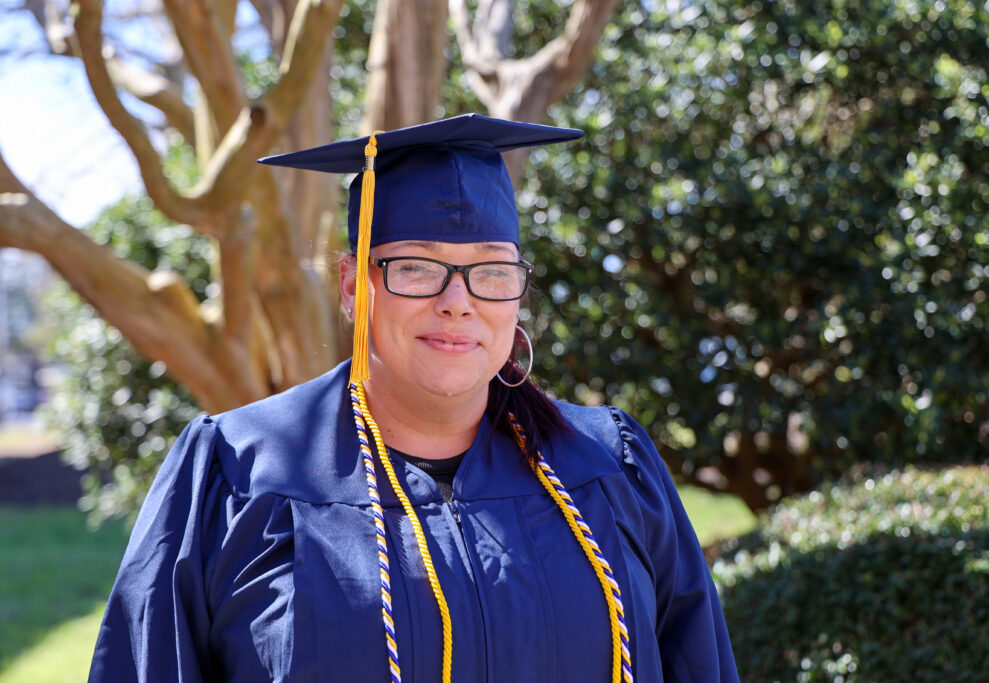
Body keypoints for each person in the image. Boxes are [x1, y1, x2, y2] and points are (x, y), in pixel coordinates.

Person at [89, 113, 740, 682]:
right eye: (416, 267)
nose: (458, 301)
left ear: (517, 291)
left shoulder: (606, 466)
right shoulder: (236, 473)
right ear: (353, 285)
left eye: (490, 270)